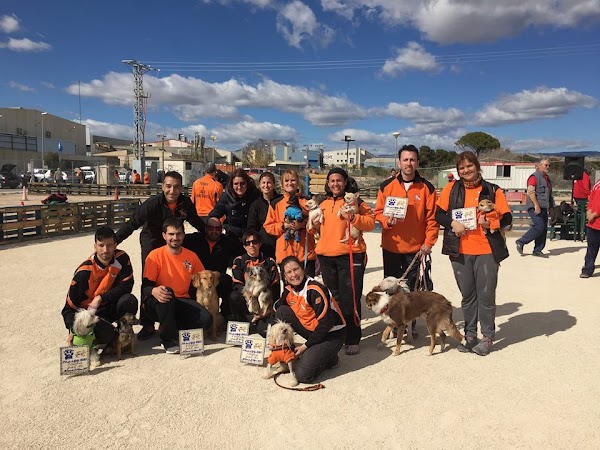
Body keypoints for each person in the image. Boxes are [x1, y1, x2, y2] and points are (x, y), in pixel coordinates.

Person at [435, 151, 512, 356]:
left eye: (470, 166)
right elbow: (438, 214)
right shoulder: (451, 189)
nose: (466, 170)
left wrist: (491, 223)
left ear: (477, 166)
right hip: (459, 250)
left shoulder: (493, 190)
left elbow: (507, 218)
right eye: (462, 168)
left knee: (486, 295)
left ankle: (487, 337)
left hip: (487, 250)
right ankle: (470, 335)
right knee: (467, 296)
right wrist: (452, 223)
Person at [115, 171, 205, 340]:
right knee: (149, 278)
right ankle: (148, 323)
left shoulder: (185, 203)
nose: (172, 190)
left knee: (178, 269)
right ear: (163, 186)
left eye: (176, 187)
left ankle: (178, 311)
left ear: (181, 188)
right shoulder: (152, 204)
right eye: (168, 186)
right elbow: (133, 223)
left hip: (173, 237)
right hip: (152, 239)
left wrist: (211, 235)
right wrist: (114, 242)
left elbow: (196, 221)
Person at [373, 144, 439, 338]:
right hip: (391, 247)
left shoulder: (427, 188)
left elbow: (432, 219)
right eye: (405, 160)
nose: (408, 163)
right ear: (399, 162)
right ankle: (394, 324)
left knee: (411, 291)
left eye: (412, 160)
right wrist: (387, 221)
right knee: (391, 290)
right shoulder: (386, 186)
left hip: (415, 250)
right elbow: (377, 212)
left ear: (417, 162)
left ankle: (411, 323)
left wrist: (428, 243)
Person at [310, 167, 374, 355]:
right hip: (326, 256)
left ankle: (353, 338)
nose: (335, 184)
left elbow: (370, 223)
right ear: (328, 183)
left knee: (350, 299)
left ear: (345, 182)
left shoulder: (356, 202)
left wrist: (352, 217)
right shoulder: (322, 203)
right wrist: (313, 226)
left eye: (339, 180)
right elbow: (313, 230)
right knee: (333, 299)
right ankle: (339, 334)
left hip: (350, 255)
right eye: (332, 181)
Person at [142, 218, 212, 353]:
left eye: (178, 234)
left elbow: (202, 279)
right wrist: (154, 291)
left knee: (206, 319)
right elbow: (145, 287)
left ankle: (172, 328)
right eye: (171, 234)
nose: (175, 238)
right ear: (164, 236)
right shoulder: (154, 255)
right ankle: (168, 340)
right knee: (167, 291)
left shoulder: (191, 256)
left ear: (183, 235)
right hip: (159, 302)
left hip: (182, 300)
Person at [61, 226, 138, 347]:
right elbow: (68, 309)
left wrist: (101, 298)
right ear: (95, 246)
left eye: (109, 245)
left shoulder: (122, 258)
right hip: (93, 315)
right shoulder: (84, 272)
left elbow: (127, 285)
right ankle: (106, 337)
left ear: (115, 245)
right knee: (106, 334)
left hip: (110, 305)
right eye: (101, 245)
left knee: (129, 300)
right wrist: (72, 329)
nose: (105, 250)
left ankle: (123, 332)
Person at [274, 256, 346, 383]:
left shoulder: (315, 289)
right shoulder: (289, 289)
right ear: (284, 276)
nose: (293, 275)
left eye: (296, 269)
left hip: (331, 334)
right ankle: (288, 352)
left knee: (302, 376)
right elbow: (278, 307)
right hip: (313, 330)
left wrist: (305, 346)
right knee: (281, 311)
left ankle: (330, 359)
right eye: (289, 272)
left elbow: (326, 323)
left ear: (303, 269)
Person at [263, 169, 316, 277]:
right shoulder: (276, 203)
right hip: (285, 253)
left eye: (293, 180)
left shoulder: (307, 202)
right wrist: (283, 226)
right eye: (286, 181)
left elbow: (315, 225)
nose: (290, 183)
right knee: (289, 286)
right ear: (282, 185)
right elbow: (268, 226)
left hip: (305, 254)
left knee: (308, 286)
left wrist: (303, 224)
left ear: (298, 182)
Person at [183, 217, 238, 318]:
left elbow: (243, 251)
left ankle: (225, 314)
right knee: (189, 284)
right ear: (205, 228)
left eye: (217, 228)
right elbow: (178, 239)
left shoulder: (227, 242)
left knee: (227, 280)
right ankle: (192, 316)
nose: (214, 231)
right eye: (211, 228)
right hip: (199, 277)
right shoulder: (195, 239)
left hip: (217, 278)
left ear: (221, 229)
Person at [229, 230, 280, 336]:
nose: (251, 245)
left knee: (265, 333)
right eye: (248, 243)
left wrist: (269, 309)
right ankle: (246, 321)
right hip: (247, 301)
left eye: (254, 242)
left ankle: (260, 321)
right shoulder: (238, 261)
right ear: (244, 246)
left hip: (264, 303)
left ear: (259, 244)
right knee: (234, 296)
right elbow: (237, 285)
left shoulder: (269, 261)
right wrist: (249, 297)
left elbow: (275, 286)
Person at [209, 168, 260, 256]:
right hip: (233, 237)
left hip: (252, 239)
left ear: (247, 183)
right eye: (236, 184)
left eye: (242, 183)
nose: (239, 187)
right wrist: (216, 227)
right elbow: (214, 215)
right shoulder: (227, 197)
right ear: (232, 184)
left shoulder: (256, 195)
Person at [515, 159, 554, 257]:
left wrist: (551, 207)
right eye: (546, 165)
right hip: (534, 206)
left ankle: (538, 250)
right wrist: (536, 205)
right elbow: (531, 192)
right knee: (539, 226)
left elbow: (549, 195)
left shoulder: (547, 179)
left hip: (544, 206)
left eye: (549, 165)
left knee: (543, 229)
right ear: (539, 165)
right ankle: (521, 241)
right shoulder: (534, 177)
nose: (548, 167)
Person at [247, 171, 283, 260]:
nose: (266, 186)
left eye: (269, 182)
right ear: (259, 185)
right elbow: (252, 227)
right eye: (263, 183)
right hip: (264, 244)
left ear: (273, 184)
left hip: (281, 241)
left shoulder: (281, 200)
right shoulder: (256, 205)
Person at [580, 178, 600, 278]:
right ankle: (587, 269)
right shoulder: (597, 184)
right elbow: (591, 199)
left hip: (596, 218)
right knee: (591, 249)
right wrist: (589, 211)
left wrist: (595, 214)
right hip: (593, 224)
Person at [573, 168, 592, 240]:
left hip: (576, 195)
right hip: (582, 196)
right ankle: (582, 231)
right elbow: (586, 186)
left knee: (580, 212)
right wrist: (589, 195)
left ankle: (579, 230)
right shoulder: (585, 176)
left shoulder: (578, 175)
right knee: (583, 213)